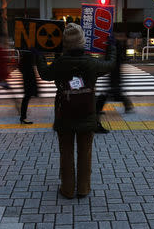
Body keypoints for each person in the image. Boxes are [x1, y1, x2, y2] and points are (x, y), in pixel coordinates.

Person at [36, 23, 116, 199]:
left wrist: (39, 54)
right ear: (82, 42)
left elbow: (44, 73)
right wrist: (111, 47)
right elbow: (110, 65)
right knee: (85, 153)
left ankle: (67, 189)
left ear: (65, 43)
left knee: (66, 154)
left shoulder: (60, 63)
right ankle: (83, 189)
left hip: (64, 114)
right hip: (87, 114)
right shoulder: (91, 63)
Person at [19, 50, 38, 124]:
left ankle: (23, 117)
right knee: (26, 98)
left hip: (27, 79)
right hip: (28, 79)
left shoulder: (26, 53)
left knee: (26, 98)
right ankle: (23, 117)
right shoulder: (28, 53)